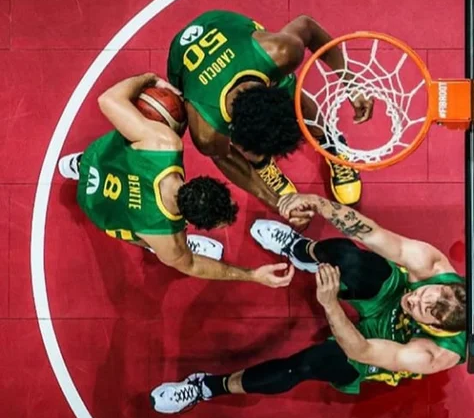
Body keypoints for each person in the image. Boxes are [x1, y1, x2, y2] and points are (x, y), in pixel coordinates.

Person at [150, 193, 466, 414]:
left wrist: (330, 305)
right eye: (424, 293)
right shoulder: (432, 266)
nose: (416, 298)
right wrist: (320, 204)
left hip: (383, 342)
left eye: (419, 308)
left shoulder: (432, 355)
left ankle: (206, 387)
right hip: (387, 292)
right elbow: (373, 235)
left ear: (434, 326)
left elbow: (362, 351)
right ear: (440, 285)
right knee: (349, 257)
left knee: (302, 366)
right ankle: (301, 250)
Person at [57, 72, 295, 288]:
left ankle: (78, 165)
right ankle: (150, 246)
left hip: (95, 158)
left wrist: (149, 79)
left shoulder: (164, 144)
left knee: (135, 136)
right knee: (151, 242)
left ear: (203, 180)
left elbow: (107, 100)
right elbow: (190, 264)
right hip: (95, 207)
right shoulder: (168, 238)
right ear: (188, 223)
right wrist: (252, 275)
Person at [167, 10, 374, 219]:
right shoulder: (206, 131)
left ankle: (330, 143)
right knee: (249, 144)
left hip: (223, 24)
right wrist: (275, 202)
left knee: (297, 102)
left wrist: (351, 84)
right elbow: (225, 156)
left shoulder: (280, 51)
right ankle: (262, 163)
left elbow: (308, 27)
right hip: (180, 60)